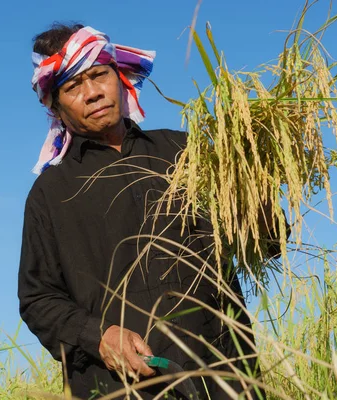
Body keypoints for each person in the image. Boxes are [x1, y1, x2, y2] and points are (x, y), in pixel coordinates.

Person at [18, 23, 269, 399]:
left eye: (99, 75)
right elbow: (38, 299)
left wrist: (256, 181)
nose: (92, 93)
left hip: (227, 374)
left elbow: (261, 242)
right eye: (72, 86)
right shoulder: (50, 195)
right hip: (122, 387)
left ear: (118, 76)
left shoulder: (187, 153)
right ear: (54, 104)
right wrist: (98, 337)